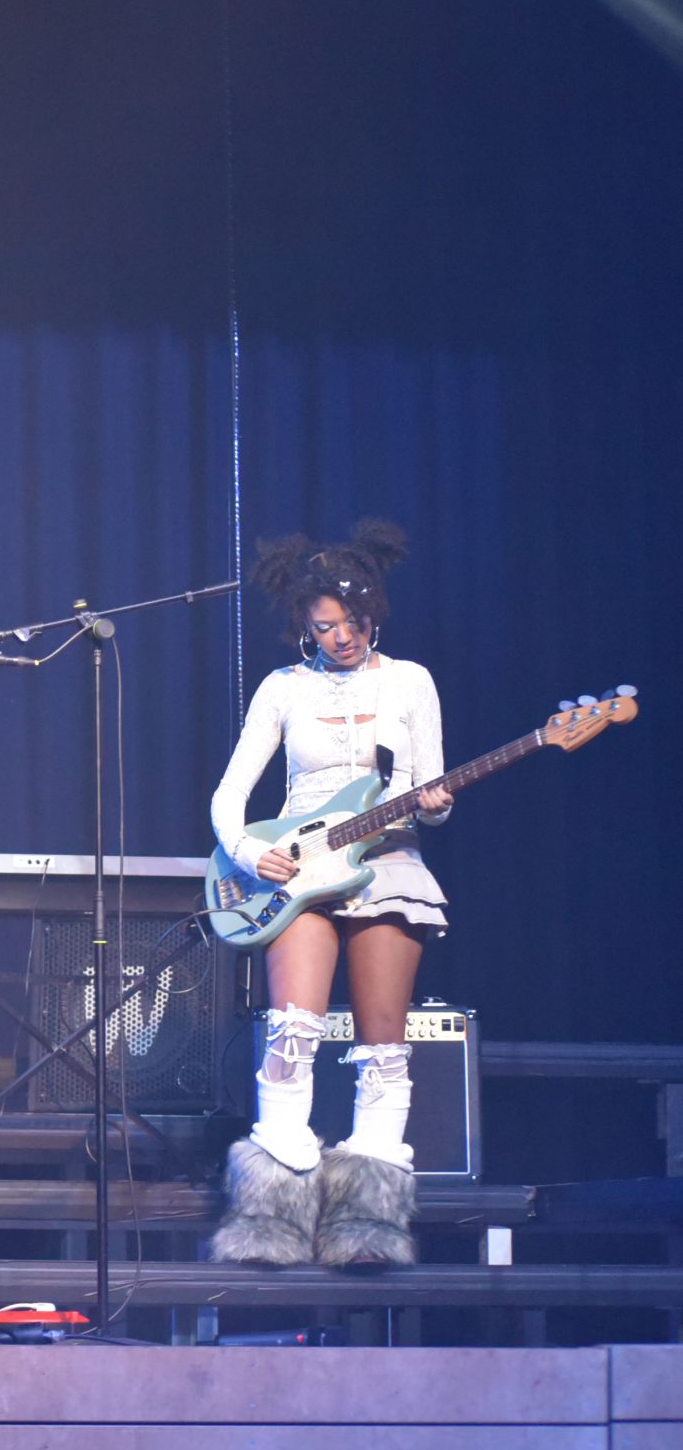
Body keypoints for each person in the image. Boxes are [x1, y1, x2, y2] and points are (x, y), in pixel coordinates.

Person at [208, 519, 451, 1266]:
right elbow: (229, 793)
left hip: (389, 858)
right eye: (324, 627)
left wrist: (436, 803)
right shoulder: (283, 688)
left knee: (384, 1045)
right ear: (303, 627)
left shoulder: (409, 681)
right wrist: (249, 850)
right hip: (301, 865)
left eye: (353, 622)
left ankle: (369, 1224)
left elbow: (431, 793)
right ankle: (270, 1216)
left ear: (373, 614)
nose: (342, 637)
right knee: (292, 1029)